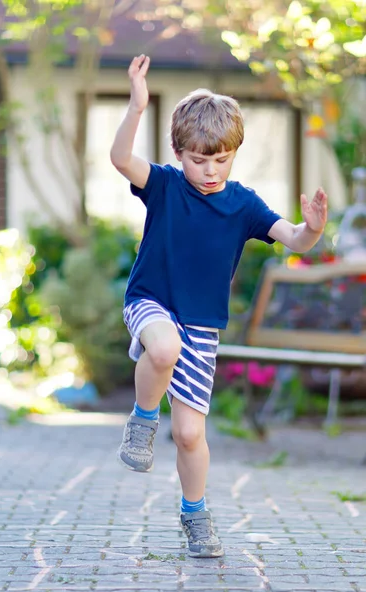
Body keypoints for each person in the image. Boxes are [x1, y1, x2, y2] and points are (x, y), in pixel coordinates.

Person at [111, 55, 328, 558]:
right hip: (150, 303)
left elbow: (294, 240)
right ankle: (142, 420)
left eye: (221, 159)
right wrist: (137, 106)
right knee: (161, 348)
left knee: (190, 434)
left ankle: (195, 515)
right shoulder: (164, 185)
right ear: (178, 153)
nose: (209, 171)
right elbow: (122, 159)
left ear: (234, 154)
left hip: (202, 327)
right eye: (198, 160)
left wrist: (313, 226)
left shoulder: (243, 204)